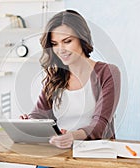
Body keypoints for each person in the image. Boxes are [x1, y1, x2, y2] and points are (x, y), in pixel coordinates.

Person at [20, 9, 121, 149]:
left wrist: (72, 136)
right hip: (58, 151)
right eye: (55, 44)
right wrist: (29, 122)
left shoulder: (108, 72)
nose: (60, 49)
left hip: (94, 152)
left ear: (82, 38)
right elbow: (39, 114)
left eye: (67, 41)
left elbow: (100, 125)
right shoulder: (55, 76)